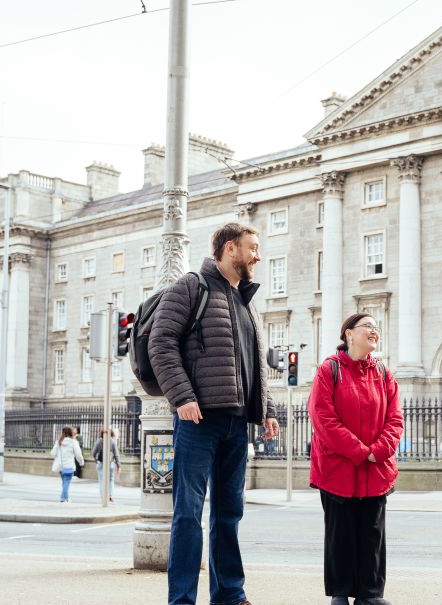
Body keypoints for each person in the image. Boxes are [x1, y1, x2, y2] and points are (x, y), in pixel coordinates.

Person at [149, 221, 280, 605]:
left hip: (237, 423)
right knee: (188, 514)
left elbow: (255, 363)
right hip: (198, 420)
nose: (258, 255)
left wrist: (266, 409)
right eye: (252, 247)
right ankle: (182, 600)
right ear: (229, 249)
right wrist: (182, 397)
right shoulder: (191, 287)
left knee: (229, 513)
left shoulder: (246, 300)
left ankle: (229, 595)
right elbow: (161, 343)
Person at [308, 313, 404, 605]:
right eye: (368, 327)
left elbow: (395, 418)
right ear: (349, 334)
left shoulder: (384, 372)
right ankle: (340, 592)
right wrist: (362, 451)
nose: (375, 332)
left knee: (372, 532)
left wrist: (379, 449)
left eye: (377, 328)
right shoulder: (329, 370)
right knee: (341, 533)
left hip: (376, 469)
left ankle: (370, 594)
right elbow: (323, 418)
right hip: (338, 469)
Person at [50, 426, 84, 503]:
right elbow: (78, 454)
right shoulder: (74, 442)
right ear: (71, 433)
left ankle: (66, 498)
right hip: (69, 466)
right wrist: (81, 462)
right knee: (66, 483)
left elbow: (52, 453)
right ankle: (63, 498)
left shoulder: (59, 442)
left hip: (61, 466)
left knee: (65, 483)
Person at [92, 428, 121, 503]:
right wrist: (118, 466)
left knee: (101, 481)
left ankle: (103, 498)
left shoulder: (99, 441)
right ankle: (110, 496)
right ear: (111, 434)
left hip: (100, 463)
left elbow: (93, 453)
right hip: (110, 463)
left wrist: (96, 461)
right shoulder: (112, 441)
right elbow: (116, 455)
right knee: (111, 480)